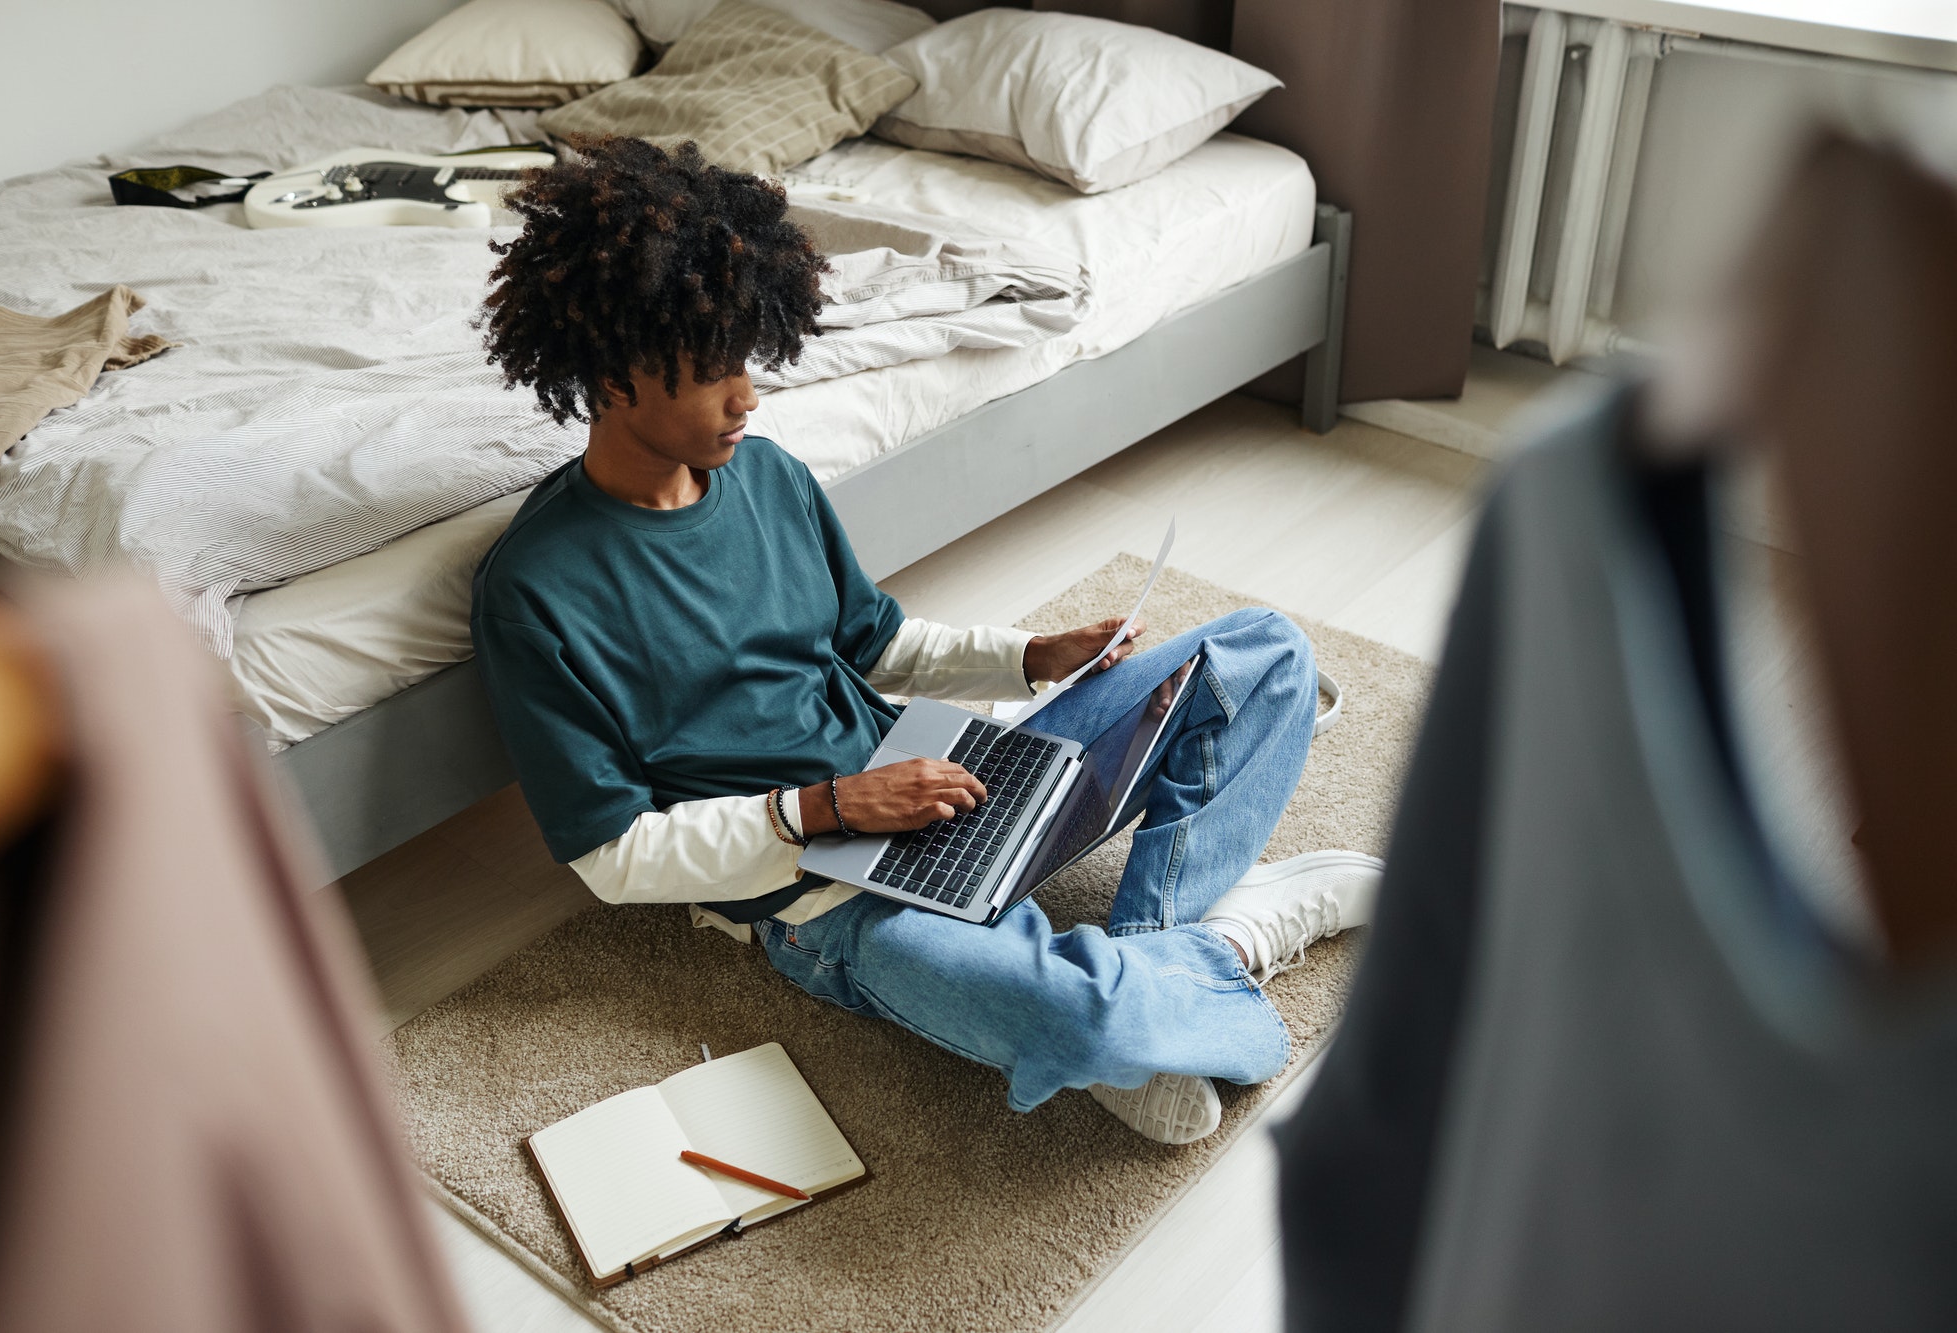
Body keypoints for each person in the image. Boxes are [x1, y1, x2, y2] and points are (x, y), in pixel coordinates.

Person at [469, 138, 1382, 1144]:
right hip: (824, 903)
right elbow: (611, 857)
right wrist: (829, 805)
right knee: (1081, 1012)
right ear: (611, 374)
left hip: (947, 774)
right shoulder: (535, 592)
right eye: (708, 369)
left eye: (746, 357)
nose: (747, 395)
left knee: (1264, 650)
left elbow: (875, 642)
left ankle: (1149, 969)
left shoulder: (768, 477)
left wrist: (1028, 656)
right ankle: (1208, 958)